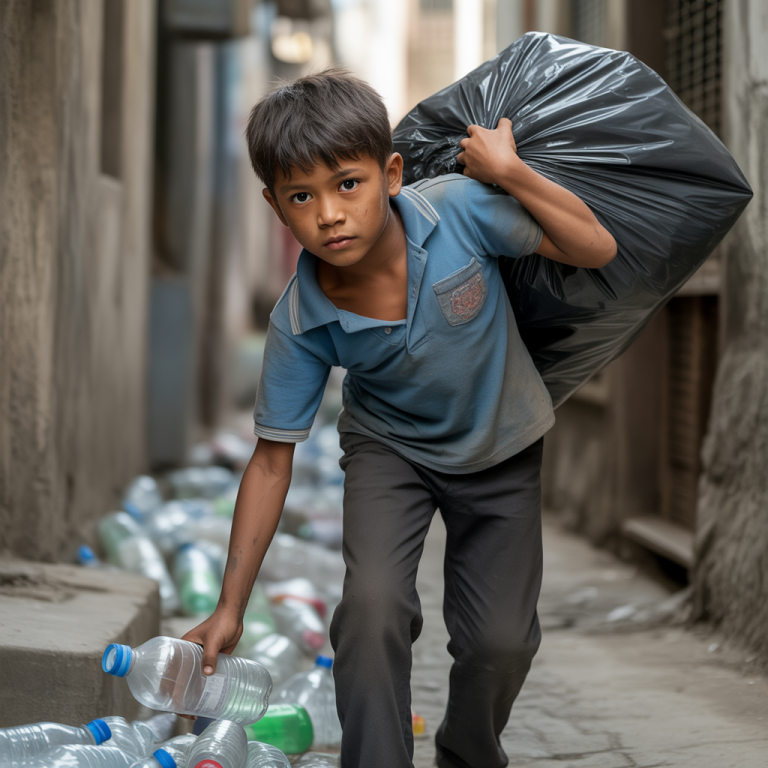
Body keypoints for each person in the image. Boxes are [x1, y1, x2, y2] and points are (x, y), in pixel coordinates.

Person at [184, 69, 616, 768]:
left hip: (503, 446)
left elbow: (594, 248)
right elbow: (270, 460)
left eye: (346, 184)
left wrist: (511, 172)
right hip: (392, 454)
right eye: (302, 196)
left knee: (500, 642)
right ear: (276, 207)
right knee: (373, 610)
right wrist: (232, 606)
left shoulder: (460, 213)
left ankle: (467, 752)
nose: (328, 214)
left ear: (390, 174)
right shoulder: (299, 320)